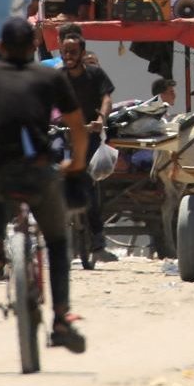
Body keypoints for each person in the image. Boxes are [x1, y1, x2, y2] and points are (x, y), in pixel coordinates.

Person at [0, 17, 89, 353]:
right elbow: (76, 125)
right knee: (58, 241)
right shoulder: (50, 76)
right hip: (38, 169)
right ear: (34, 46)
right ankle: (61, 317)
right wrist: (76, 163)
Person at [59, 33, 117, 261]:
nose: (68, 56)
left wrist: (102, 118)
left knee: (88, 187)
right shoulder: (58, 77)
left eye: (73, 52)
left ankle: (98, 243)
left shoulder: (95, 74)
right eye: (65, 52)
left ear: (82, 54)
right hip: (65, 134)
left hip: (89, 134)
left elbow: (107, 99)